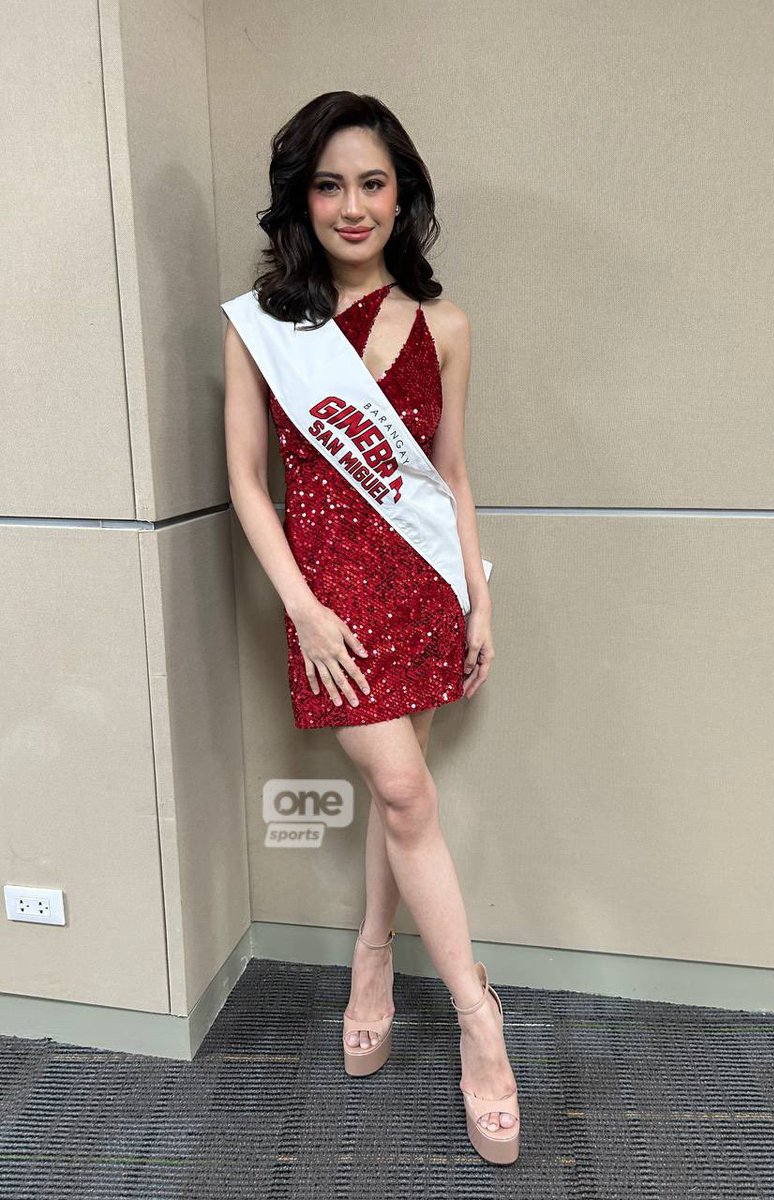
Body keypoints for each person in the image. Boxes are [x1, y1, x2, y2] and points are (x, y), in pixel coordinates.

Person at [222, 91, 519, 1165]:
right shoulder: (268, 328)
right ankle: (482, 1023)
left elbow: (448, 472)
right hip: (332, 607)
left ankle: (372, 958)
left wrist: (481, 593)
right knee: (403, 792)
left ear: (405, 195)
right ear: (303, 199)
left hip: (424, 589)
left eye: (375, 182)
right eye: (331, 184)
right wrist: (301, 609)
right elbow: (249, 484)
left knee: (407, 804)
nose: (354, 205)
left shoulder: (446, 326)